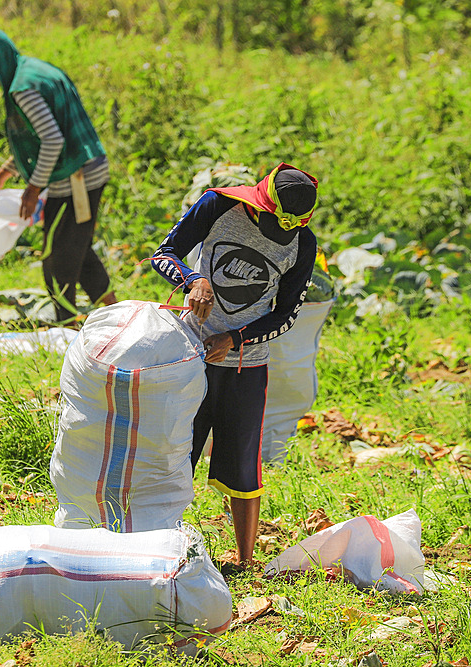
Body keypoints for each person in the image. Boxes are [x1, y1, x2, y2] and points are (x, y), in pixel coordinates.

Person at [152, 162, 318, 568]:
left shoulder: (303, 244)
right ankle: (155, 547)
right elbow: (163, 254)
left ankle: (245, 561)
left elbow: (286, 315)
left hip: (247, 368)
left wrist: (235, 339)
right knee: (175, 454)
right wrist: (194, 280)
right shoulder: (217, 206)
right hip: (189, 355)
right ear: (260, 205)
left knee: (243, 463)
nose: (281, 234)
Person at [0, 24, 116, 323]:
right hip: (87, 165)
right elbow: (36, 137)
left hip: (76, 179)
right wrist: (4, 174)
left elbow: (53, 140)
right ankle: (119, 313)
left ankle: (68, 330)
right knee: (77, 250)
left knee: (57, 261)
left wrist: (33, 189)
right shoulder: (35, 70)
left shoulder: (21, 89)